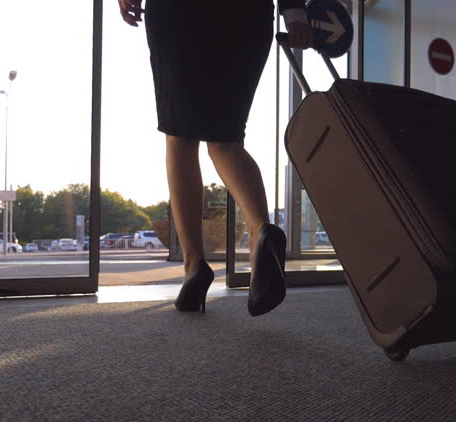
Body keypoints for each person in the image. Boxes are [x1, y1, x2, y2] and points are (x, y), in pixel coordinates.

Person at [118, 0, 313, 316]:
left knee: (179, 137)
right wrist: (294, 13)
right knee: (226, 140)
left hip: (178, 15)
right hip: (245, 16)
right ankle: (260, 232)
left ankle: (194, 264)